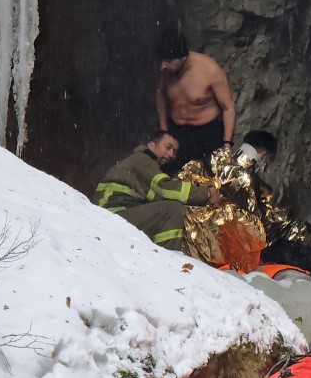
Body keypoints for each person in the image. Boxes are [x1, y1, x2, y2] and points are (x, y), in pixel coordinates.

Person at [93, 130, 222, 250]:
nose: (171, 154)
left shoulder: (141, 161)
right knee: (172, 210)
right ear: (151, 144)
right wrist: (207, 193)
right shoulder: (143, 160)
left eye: (175, 151)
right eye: (168, 147)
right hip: (111, 216)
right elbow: (164, 189)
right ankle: (168, 259)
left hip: (114, 215)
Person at [155, 28, 237, 169]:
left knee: (209, 179)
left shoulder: (209, 70)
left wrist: (227, 143)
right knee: (173, 175)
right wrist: (163, 129)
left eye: (168, 61)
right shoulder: (166, 72)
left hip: (207, 133)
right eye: (162, 60)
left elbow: (228, 107)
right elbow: (161, 96)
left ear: (182, 57)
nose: (163, 66)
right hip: (177, 132)